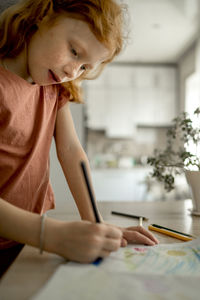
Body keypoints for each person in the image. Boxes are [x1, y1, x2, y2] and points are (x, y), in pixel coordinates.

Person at [0, 0, 159, 276]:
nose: (73, 72)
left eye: (85, 67)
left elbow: (71, 151)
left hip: (27, 238)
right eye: (74, 51)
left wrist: (96, 224)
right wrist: (51, 236)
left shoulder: (53, 89)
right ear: (42, 15)